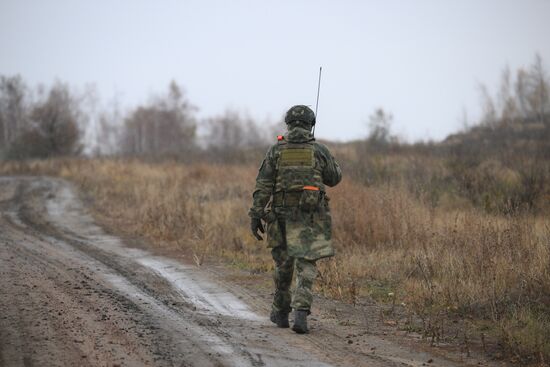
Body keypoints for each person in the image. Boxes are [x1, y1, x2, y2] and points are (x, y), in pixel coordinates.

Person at [248, 105, 342, 334]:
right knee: (306, 263)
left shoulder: (276, 150)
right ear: (311, 124)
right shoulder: (319, 150)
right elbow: (334, 178)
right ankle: (300, 312)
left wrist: (256, 214)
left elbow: (263, 185)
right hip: (310, 216)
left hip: (279, 215)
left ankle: (280, 313)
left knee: (283, 265)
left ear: (288, 125)